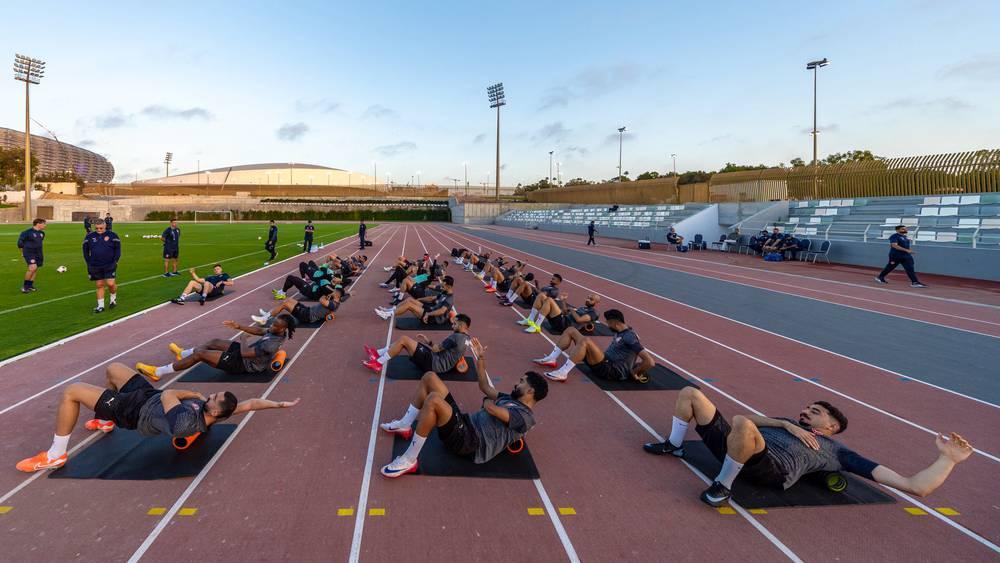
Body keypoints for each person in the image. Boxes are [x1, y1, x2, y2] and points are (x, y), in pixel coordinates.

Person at [642, 387, 973, 507]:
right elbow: (744, 416)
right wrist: (785, 423)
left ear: (830, 427)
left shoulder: (839, 452)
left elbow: (915, 486)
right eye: (806, 409)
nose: (805, 413)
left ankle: (723, 486)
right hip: (740, 447)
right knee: (691, 393)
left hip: (771, 468)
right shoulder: (787, 421)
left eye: (814, 412)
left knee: (743, 427)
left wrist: (949, 460)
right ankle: (673, 444)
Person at [15, 362, 300, 472]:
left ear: (214, 411)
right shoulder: (219, 412)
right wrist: (279, 404)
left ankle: (56, 454)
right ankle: (103, 419)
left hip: (132, 412)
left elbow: (170, 394)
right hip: (146, 396)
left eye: (212, 398)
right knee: (114, 369)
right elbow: (250, 404)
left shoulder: (184, 423)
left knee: (72, 391)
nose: (209, 395)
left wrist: (191, 394)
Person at [378, 338, 547, 477]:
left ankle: (409, 459)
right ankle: (405, 424)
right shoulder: (512, 399)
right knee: (430, 377)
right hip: (465, 425)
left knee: (434, 400)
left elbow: (492, 409)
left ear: (530, 391)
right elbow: (485, 387)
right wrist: (480, 358)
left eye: (522, 382)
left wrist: (488, 402)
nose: (517, 383)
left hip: (471, 443)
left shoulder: (525, 417)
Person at [136, 315, 295, 381]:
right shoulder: (277, 331)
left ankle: (158, 372)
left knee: (201, 354)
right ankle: (182, 353)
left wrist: (242, 338)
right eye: (273, 323)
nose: (271, 325)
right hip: (246, 353)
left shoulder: (272, 343)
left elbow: (246, 353)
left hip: (244, 364)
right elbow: (260, 330)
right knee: (215, 342)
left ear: (282, 329)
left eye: (275, 325)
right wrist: (239, 326)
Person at [534, 309, 654, 382]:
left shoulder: (629, 337)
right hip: (604, 362)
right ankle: (552, 358)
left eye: (608, 323)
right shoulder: (622, 330)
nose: (607, 325)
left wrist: (635, 372)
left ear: (615, 322)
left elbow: (649, 362)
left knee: (586, 341)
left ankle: (563, 373)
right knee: (571, 330)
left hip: (612, 371)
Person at [363, 313, 471, 374]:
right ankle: (377, 354)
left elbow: (436, 349)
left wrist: (428, 341)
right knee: (404, 341)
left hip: (434, 363)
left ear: (462, 326)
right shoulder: (466, 338)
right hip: (437, 361)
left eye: (455, 324)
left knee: (404, 339)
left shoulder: (455, 337)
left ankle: (378, 363)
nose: (452, 326)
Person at [376, 276, 455, 323]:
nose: (441, 286)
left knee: (409, 305)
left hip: (434, 318)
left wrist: (428, 314)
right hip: (431, 308)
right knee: (410, 299)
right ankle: (390, 310)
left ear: (449, 286)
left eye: (443, 285)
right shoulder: (444, 292)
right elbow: (432, 298)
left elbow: (441, 311)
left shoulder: (449, 298)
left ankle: (388, 315)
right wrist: (419, 299)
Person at [83, 218, 121, 313]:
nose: (99, 230)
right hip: (95, 265)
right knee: (99, 284)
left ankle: (113, 298)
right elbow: (85, 251)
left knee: (110, 284)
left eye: (101, 228)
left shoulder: (113, 235)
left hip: (109, 264)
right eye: (97, 228)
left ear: (105, 226)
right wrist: (89, 262)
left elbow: (118, 249)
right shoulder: (89, 237)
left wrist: (115, 260)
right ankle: (100, 306)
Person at [252, 289, 343, 326]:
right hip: (307, 310)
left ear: (337, 295)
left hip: (307, 316)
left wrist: (325, 296)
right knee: (288, 299)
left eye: (335, 292)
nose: (333, 292)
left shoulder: (333, 304)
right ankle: (268, 314)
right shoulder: (335, 302)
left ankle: (264, 319)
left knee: (285, 304)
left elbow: (321, 300)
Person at [523, 292, 600, 334]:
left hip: (564, 326)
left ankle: (537, 326)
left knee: (549, 299)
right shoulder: (582, 308)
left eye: (591, 299)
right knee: (541, 296)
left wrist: (572, 310)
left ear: (596, 302)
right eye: (587, 297)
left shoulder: (593, 313)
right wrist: (563, 300)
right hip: (561, 320)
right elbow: (564, 312)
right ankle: (530, 320)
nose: (587, 299)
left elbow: (579, 320)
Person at [17, 218, 46, 293]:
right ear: (38, 224)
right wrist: (22, 252)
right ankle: (25, 287)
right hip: (29, 252)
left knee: (35, 269)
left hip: (39, 253)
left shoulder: (42, 233)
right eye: (44, 224)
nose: (45, 225)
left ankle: (30, 286)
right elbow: (20, 243)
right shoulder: (26, 232)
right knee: (32, 268)